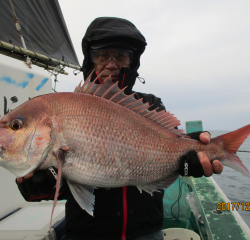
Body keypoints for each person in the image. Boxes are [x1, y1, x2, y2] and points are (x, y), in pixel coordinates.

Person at [16, 17, 223, 240]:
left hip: (146, 231)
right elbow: (58, 183)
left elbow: (173, 143)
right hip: (87, 233)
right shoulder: (70, 107)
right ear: (90, 61)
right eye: (102, 56)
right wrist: (43, 184)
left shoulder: (150, 105)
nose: (111, 64)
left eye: (121, 56)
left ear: (132, 62)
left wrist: (189, 152)